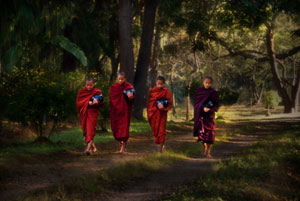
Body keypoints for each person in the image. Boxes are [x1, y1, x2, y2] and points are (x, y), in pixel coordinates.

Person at [76, 78, 103, 155]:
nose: (89, 87)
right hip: (84, 113)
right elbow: (78, 103)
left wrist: (96, 102)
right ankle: (93, 148)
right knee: (86, 131)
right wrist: (88, 103)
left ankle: (87, 149)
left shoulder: (97, 92)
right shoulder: (82, 92)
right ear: (85, 84)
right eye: (87, 85)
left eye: (90, 85)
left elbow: (101, 101)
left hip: (92, 113)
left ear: (94, 84)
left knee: (90, 129)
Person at [193, 76, 219, 158]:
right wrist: (202, 108)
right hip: (201, 116)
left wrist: (210, 109)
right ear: (203, 82)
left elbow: (216, 104)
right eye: (206, 82)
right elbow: (196, 103)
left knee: (211, 134)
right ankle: (204, 147)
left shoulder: (213, 92)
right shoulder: (199, 91)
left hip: (210, 117)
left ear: (211, 83)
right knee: (201, 134)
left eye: (209, 83)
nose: (207, 84)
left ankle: (208, 152)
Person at [109, 72, 135, 154]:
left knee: (124, 129)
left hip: (125, 112)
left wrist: (130, 97)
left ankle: (123, 149)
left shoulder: (129, 87)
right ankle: (121, 144)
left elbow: (132, 99)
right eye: (119, 79)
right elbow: (112, 99)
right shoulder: (114, 87)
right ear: (117, 79)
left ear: (125, 79)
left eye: (122, 79)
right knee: (115, 128)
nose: (120, 81)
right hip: (116, 111)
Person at [147, 76, 172, 153]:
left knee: (161, 131)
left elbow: (169, 103)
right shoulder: (152, 91)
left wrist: (163, 106)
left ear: (164, 84)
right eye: (158, 84)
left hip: (162, 114)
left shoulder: (166, 92)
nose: (159, 85)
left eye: (161, 84)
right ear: (156, 83)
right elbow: (150, 103)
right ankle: (160, 144)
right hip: (154, 113)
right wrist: (154, 108)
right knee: (155, 129)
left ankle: (160, 150)